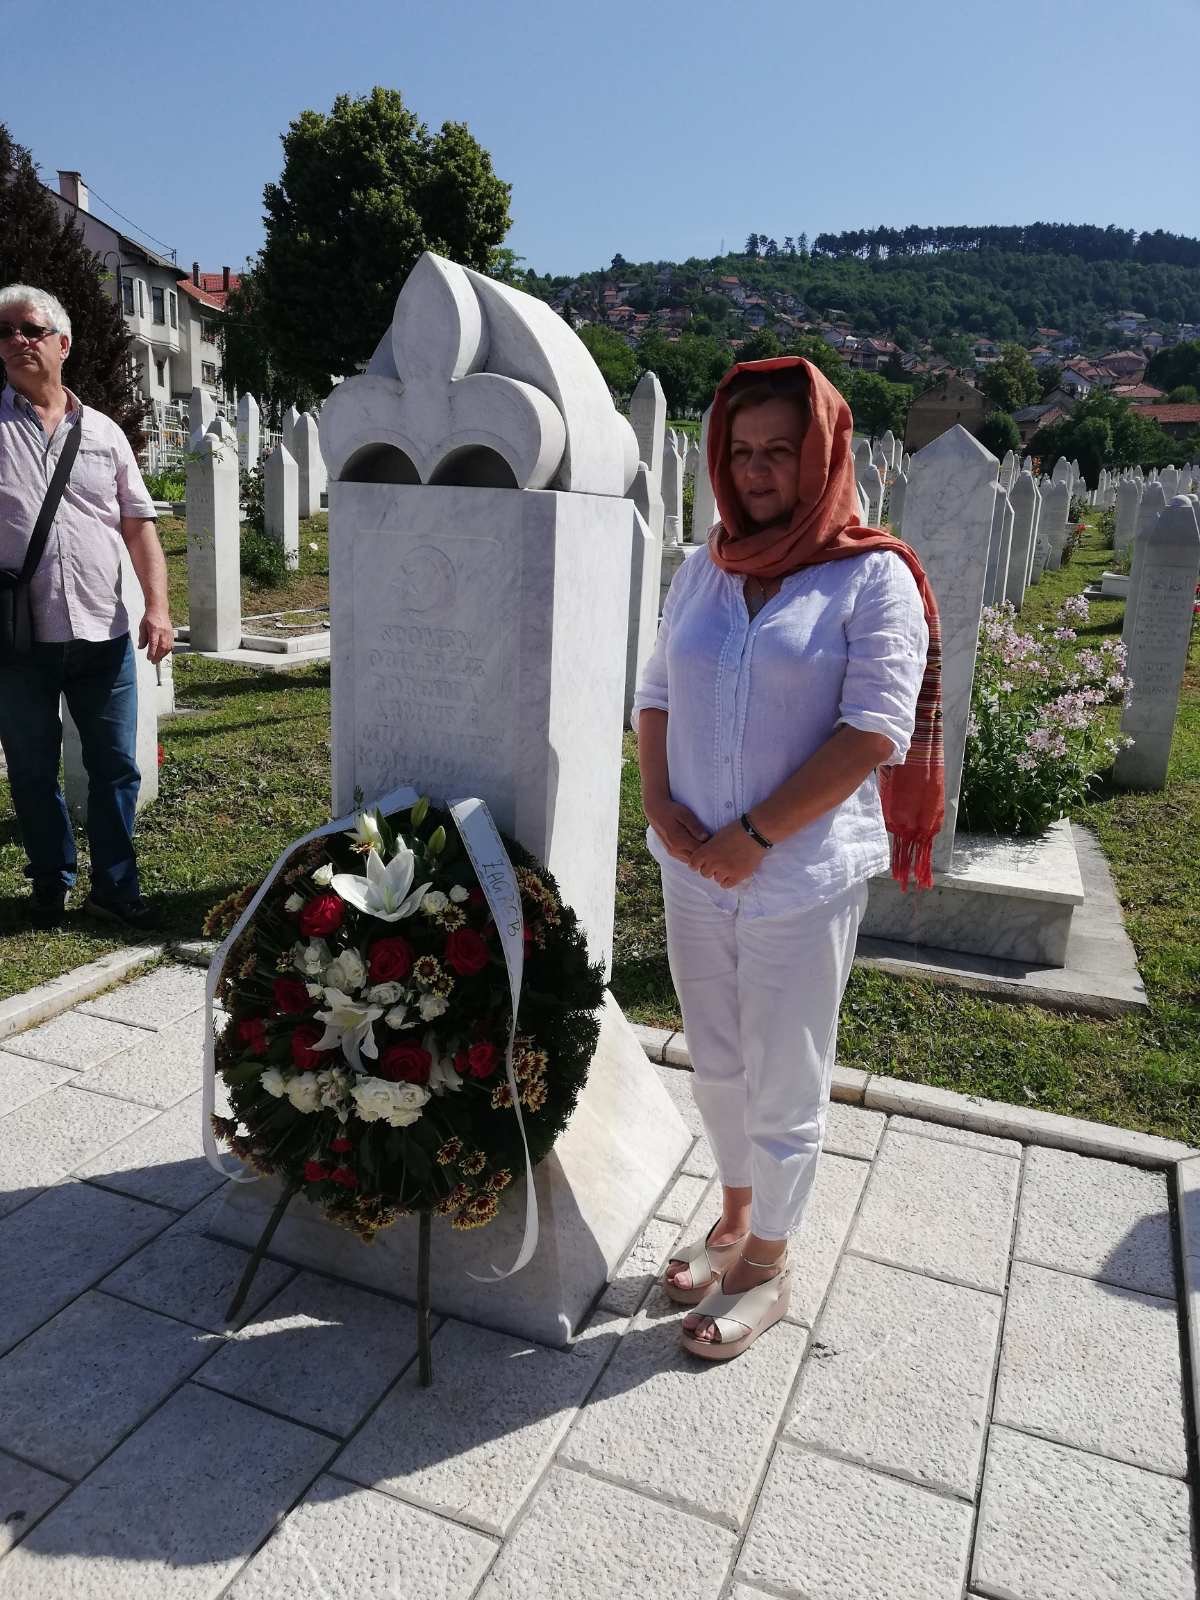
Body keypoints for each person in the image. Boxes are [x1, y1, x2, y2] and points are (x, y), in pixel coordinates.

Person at [633, 356, 942, 1361]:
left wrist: (756, 835)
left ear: (823, 457)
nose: (758, 470)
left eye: (780, 450)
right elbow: (655, 691)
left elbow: (874, 730)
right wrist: (660, 802)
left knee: (785, 1068)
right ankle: (734, 1213)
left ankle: (770, 1258)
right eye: (741, 451)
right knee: (714, 1051)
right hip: (691, 863)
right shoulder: (705, 566)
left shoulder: (870, 575)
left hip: (798, 875)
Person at [0, 284, 172, 930]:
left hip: (104, 629)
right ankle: (51, 879)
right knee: (31, 769)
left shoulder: (103, 433)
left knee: (116, 767)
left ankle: (115, 887)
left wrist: (158, 607)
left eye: (30, 328)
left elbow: (139, 527)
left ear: (63, 343)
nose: (16, 340)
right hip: (20, 637)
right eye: (5, 332)